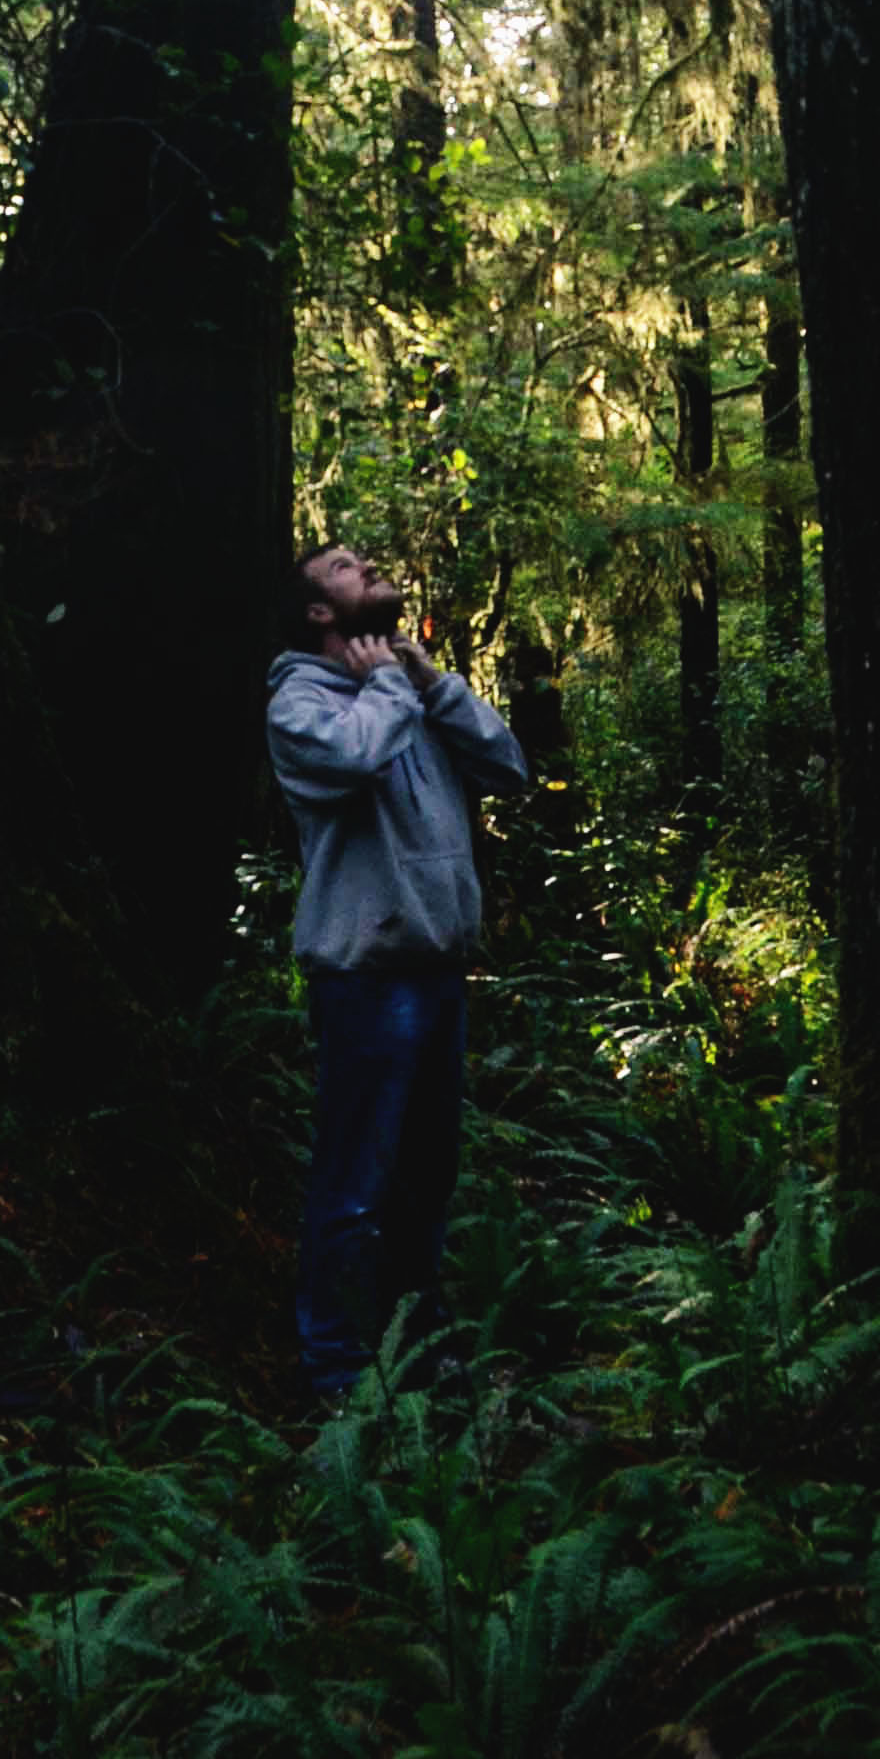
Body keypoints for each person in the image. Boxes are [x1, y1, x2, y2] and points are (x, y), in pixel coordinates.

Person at [266, 544, 528, 1397]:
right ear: (318, 612)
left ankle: (419, 1350)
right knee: (356, 1183)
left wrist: (431, 684)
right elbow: (350, 758)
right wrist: (387, 690)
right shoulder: (298, 703)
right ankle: (337, 1368)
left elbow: (507, 766)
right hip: (367, 980)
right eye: (346, 564)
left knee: (425, 1181)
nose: (368, 563)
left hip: (438, 972)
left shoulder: (409, 693)